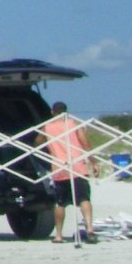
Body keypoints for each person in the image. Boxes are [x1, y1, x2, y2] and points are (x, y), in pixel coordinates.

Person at [39, 102, 97, 244]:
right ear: (66, 111)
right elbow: (85, 144)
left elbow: (37, 142)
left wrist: (49, 149)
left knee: (60, 203)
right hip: (77, 166)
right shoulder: (73, 124)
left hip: (59, 167)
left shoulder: (46, 127)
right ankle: (90, 229)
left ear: (53, 112)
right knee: (84, 199)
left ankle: (58, 235)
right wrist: (93, 161)